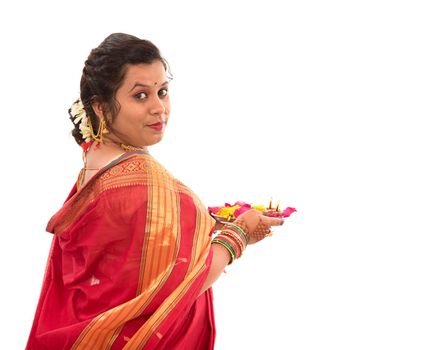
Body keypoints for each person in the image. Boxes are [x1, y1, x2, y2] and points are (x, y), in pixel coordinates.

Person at [26, 33, 284, 350]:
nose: (159, 108)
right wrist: (239, 234)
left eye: (162, 91)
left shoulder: (95, 154)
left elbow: (130, 242)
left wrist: (207, 219)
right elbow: (186, 283)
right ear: (101, 108)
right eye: (140, 96)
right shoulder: (148, 183)